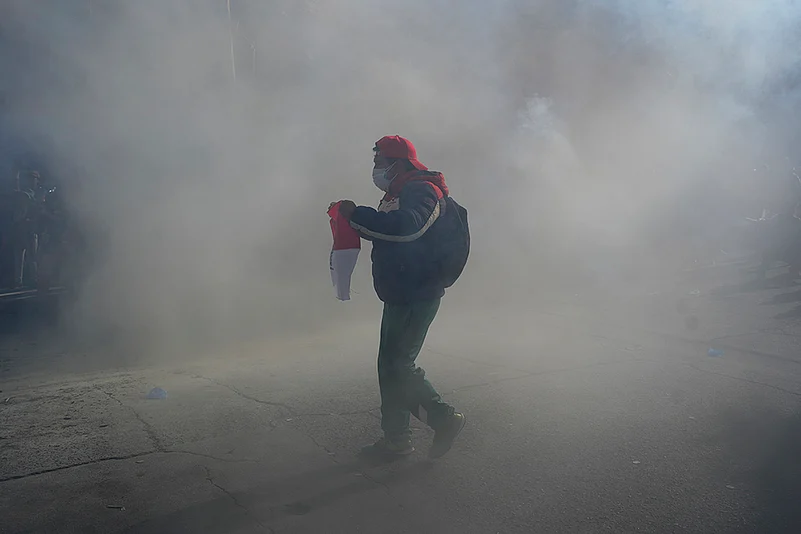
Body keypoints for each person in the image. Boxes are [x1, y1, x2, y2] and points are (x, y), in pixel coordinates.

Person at [332, 135, 466, 459]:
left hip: (417, 293)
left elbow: (407, 229)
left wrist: (357, 215)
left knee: (398, 366)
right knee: (389, 365)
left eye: (380, 162)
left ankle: (443, 419)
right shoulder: (399, 191)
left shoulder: (422, 190)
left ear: (400, 163)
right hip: (400, 293)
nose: (376, 169)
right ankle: (396, 438)